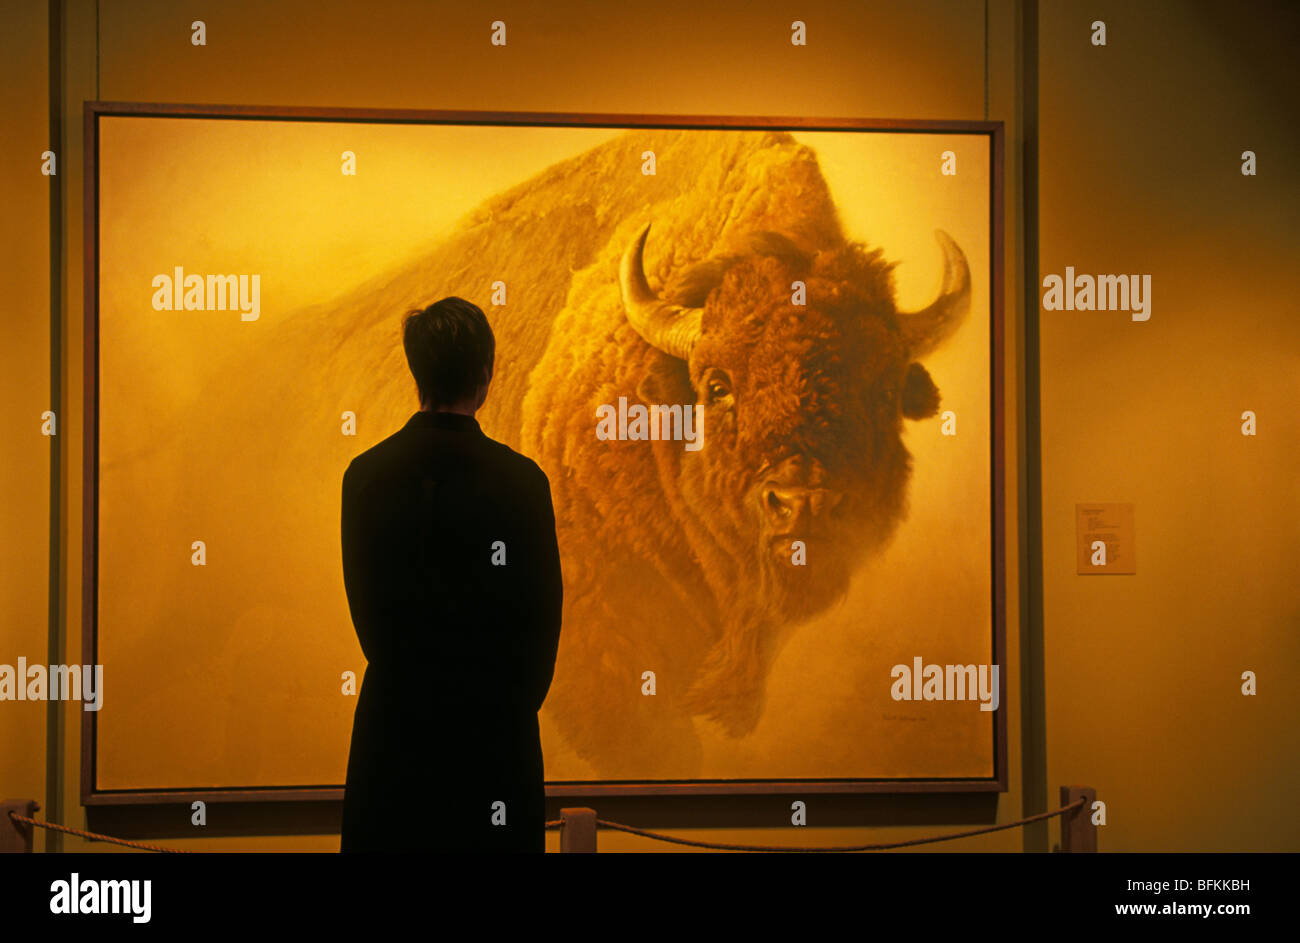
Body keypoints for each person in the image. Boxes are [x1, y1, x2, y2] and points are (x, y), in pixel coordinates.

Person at [339, 296, 563, 852]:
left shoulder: (365, 476)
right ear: (486, 374)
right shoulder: (522, 482)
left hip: (394, 740)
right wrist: (504, 710)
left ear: (416, 371)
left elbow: (370, 621)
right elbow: (543, 626)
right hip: (494, 744)